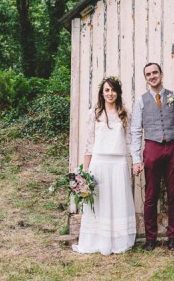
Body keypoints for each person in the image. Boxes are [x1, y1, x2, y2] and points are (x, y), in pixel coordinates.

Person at [130, 63, 174, 251]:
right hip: (152, 148)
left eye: (155, 72)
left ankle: (173, 237)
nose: (152, 76)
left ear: (161, 74)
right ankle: (151, 238)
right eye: (148, 74)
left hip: (173, 147)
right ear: (145, 78)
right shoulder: (141, 101)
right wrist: (136, 159)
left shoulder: (173, 96)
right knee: (151, 196)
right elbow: (135, 130)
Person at [72, 76, 136, 255]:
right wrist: (84, 172)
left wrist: (135, 161)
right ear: (102, 93)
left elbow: (129, 141)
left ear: (118, 93)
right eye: (107, 90)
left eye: (113, 90)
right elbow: (89, 143)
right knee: (100, 202)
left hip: (119, 163)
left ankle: (118, 240)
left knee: (117, 200)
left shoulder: (125, 113)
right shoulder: (94, 113)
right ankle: (97, 240)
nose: (110, 93)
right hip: (99, 163)